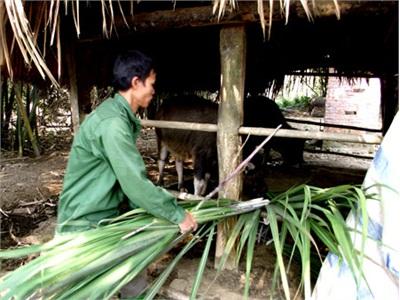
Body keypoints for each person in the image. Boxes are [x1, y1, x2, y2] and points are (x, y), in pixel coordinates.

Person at [56, 50, 197, 297]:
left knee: (134, 280)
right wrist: (176, 214)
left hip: (108, 220)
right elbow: (135, 185)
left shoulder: (118, 116)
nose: (154, 90)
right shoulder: (113, 125)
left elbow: (126, 182)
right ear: (135, 82)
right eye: (151, 84)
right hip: (86, 226)